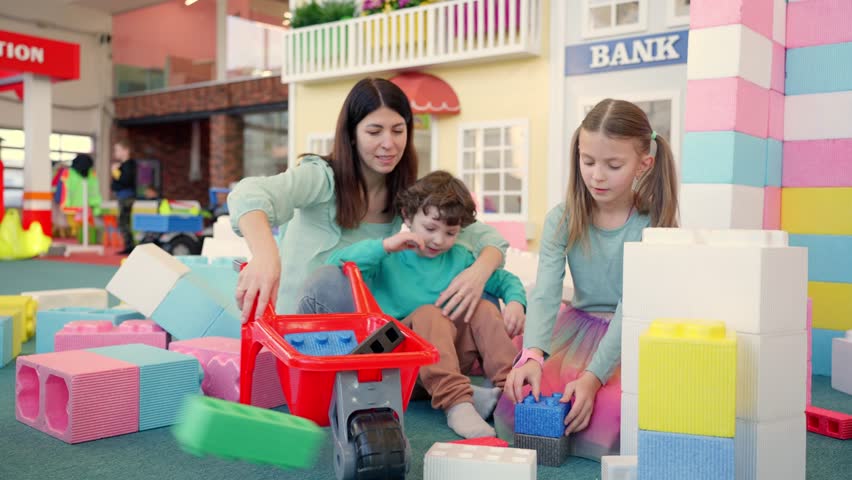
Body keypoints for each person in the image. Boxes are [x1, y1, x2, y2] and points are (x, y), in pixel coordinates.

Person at [228, 78, 509, 322]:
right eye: (375, 132)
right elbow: (249, 194)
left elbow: (488, 240)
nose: (389, 143)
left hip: (364, 327)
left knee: (479, 290)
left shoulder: (408, 194)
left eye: (398, 131)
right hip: (302, 327)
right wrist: (265, 255)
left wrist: (479, 273)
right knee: (335, 278)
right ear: (352, 135)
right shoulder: (321, 178)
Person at [496, 99, 679, 459]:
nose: (596, 175)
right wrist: (531, 355)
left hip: (632, 333)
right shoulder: (562, 218)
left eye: (613, 165)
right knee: (524, 396)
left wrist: (594, 378)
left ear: (645, 164)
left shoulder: (652, 225)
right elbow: (546, 291)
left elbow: (632, 309)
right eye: (588, 161)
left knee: (609, 414)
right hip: (577, 330)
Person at [326, 171, 526, 439]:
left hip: (447, 367)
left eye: (450, 232)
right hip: (401, 366)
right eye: (430, 228)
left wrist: (515, 301)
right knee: (429, 314)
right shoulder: (389, 256)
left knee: (484, 308)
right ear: (407, 217)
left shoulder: (460, 258)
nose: (439, 240)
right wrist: (385, 246)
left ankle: (510, 394)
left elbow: (504, 280)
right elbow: (336, 266)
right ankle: (458, 404)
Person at [110, 140, 137, 255]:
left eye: (117, 150)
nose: (115, 153)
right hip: (122, 195)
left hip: (127, 197)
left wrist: (115, 171)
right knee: (123, 221)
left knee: (124, 221)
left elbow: (125, 180)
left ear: (126, 151)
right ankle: (129, 245)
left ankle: (130, 246)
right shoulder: (123, 166)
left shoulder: (129, 165)